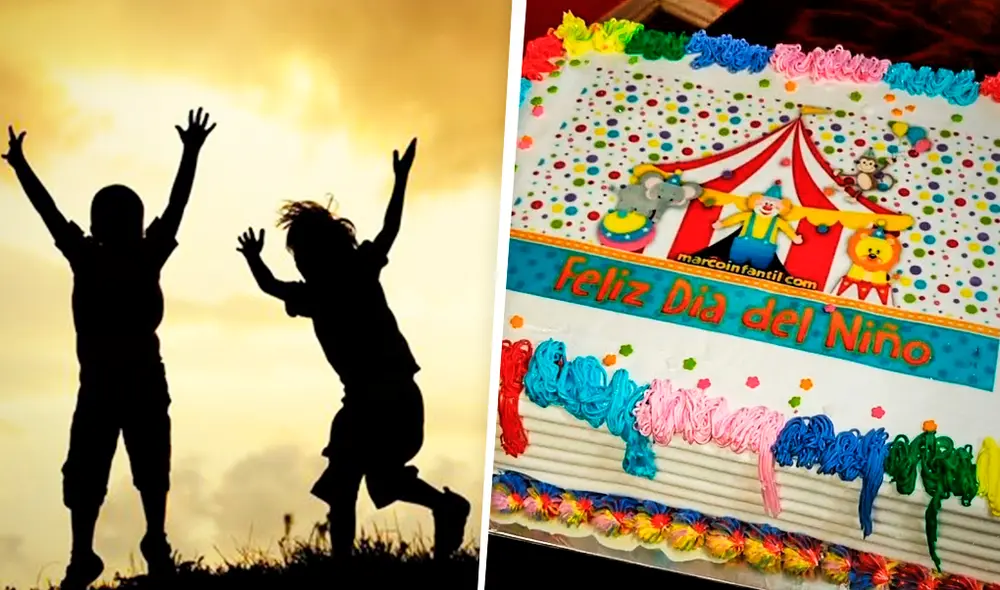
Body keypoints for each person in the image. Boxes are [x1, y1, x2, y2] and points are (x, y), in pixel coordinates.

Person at [2, 109, 216, 589]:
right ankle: (88, 555)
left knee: (145, 462)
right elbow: (50, 213)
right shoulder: (96, 256)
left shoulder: (124, 256)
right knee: (90, 470)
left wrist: (190, 154)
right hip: (104, 384)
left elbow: (173, 207)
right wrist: (21, 168)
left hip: (133, 381)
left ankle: (150, 542)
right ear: (104, 226)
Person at [236, 138, 471, 561]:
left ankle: (441, 510)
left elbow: (390, 230)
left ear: (326, 251)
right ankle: (439, 511)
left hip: (392, 399)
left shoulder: (357, 273)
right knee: (351, 484)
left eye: (303, 254)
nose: (300, 263)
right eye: (297, 257)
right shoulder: (314, 294)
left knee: (363, 480)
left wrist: (401, 181)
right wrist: (253, 258)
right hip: (363, 403)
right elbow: (271, 286)